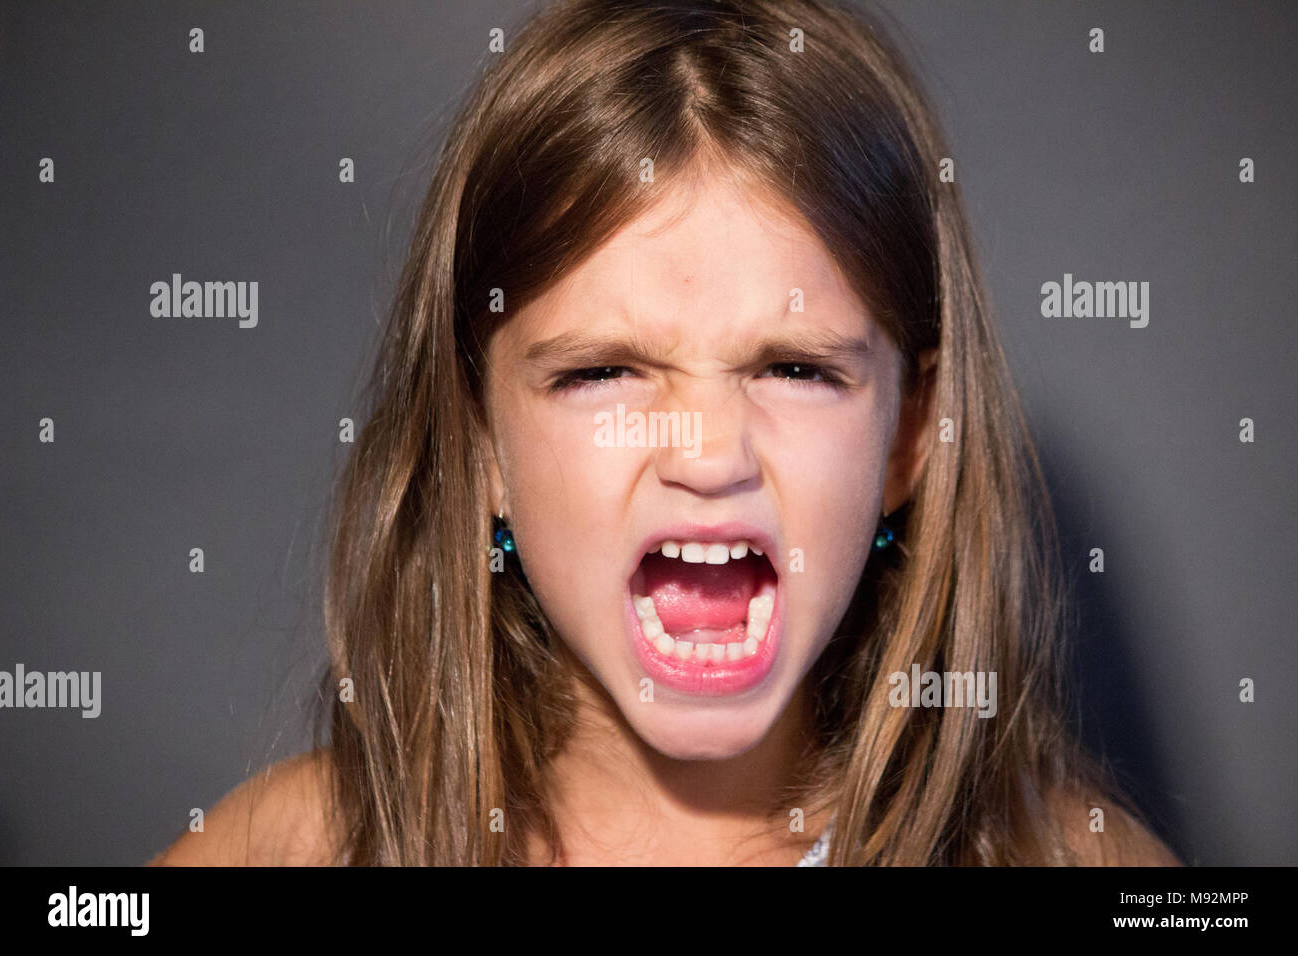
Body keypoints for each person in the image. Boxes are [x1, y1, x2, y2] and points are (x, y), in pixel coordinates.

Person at [153, 0, 1180, 866]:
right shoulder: (283, 850)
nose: (706, 453)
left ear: (910, 436)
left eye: (794, 368)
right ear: (481, 449)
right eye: (601, 371)